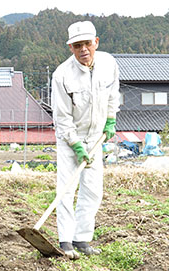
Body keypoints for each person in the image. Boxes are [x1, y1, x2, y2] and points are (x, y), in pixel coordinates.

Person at [51, 21, 120, 259]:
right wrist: (76, 145)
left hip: (96, 137)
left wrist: (110, 119)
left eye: (87, 44)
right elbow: (61, 117)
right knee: (67, 189)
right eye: (77, 45)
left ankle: (81, 239)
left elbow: (113, 94)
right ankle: (65, 241)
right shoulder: (61, 75)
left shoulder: (109, 64)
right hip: (71, 138)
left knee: (93, 191)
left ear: (96, 42)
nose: (84, 50)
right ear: (70, 47)